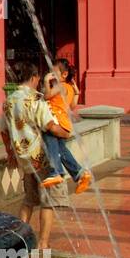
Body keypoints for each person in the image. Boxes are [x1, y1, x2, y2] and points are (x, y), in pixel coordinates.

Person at [1, 59, 71, 249]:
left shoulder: (8, 101)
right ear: (33, 78)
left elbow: (4, 132)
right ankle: (43, 243)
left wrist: (10, 154)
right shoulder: (36, 99)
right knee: (47, 202)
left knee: (29, 201)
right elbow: (51, 126)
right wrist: (67, 133)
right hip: (43, 157)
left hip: (25, 160)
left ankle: (18, 239)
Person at [42, 63, 92, 194]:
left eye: (54, 72)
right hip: (65, 124)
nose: (51, 75)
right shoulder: (69, 87)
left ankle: (56, 172)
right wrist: (77, 93)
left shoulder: (60, 86)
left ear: (64, 74)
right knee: (61, 150)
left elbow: (47, 96)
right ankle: (80, 173)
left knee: (49, 138)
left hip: (56, 122)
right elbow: (73, 106)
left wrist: (46, 81)